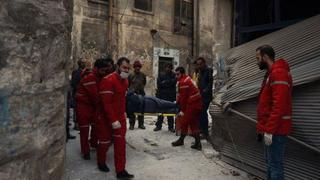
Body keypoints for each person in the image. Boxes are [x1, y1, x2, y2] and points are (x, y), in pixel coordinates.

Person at [256, 45, 292, 180]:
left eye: (258, 58)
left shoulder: (278, 73)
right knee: (271, 164)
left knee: (275, 165)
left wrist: (270, 130)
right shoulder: (271, 74)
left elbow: (279, 105)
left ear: (265, 57)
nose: (257, 61)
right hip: (271, 128)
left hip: (276, 130)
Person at [97, 57, 134, 179]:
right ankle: (101, 162)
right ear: (118, 66)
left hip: (120, 116)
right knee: (104, 142)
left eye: (128, 68)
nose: (126, 70)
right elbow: (106, 103)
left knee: (120, 143)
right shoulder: (108, 80)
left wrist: (123, 114)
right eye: (124, 67)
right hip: (106, 117)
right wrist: (113, 120)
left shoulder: (125, 81)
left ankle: (120, 170)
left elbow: (122, 100)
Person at [75, 58, 114, 160]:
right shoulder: (90, 78)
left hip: (92, 106)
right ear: (97, 68)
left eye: (106, 70)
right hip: (83, 106)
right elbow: (96, 97)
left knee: (95, 126)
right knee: (84, 129)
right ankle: (85, 151)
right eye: (103, 70)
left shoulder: (98, 77)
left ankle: (93, 143)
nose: (104, 73)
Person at [171, 66, 203, 150]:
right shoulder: (187, 78)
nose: (176, 76)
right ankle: (198, 143)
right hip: (197, 104)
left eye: (177, 74)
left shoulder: (183, 82)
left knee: (184, 122)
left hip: (192, 104)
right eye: (175, 74)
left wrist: (182, 109)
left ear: (182, 74)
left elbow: (184, 98)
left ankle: (181, 140)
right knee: (193, 123)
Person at [194, 57, 213, 139]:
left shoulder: (208, 70)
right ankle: (201, 130)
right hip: (200, 95)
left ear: (204, 63)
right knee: (200, 113)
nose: (199, 66)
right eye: (198, 64)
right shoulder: (199, 72)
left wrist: (205, 90)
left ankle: (205, 132)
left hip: (206, 96)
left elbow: (210, 83)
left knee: (203, 112)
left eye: (200, 64)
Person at [154, 63, 176, 132]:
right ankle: (158, 126)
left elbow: (173, 83)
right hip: (162, 96)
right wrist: (168, 83)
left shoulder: (173, 75)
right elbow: (159, 84)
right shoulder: (161, 75)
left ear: (171, 68)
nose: (168, 69)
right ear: (165, 68)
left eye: (169, 67)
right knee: (160, 112)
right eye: (166, 67)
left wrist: (165, 82)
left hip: (170, 96)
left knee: (170, 112)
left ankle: (171, 127)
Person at [128, 60, 147, 130]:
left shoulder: (143, 75)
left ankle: (141, 124)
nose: (138, 68)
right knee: (132, 110)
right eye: (136, 67)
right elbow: (128, 84)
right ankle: (132, 124)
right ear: (134, 67)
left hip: (141, 94)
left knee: (141, 109)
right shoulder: (131, 75)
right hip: (133, 95)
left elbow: (144, 83)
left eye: (139, 67)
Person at [71, 58, 86, 130]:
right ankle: (76, 124)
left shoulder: (86, 72)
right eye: (82, 62)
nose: (84, 64)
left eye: (84, 62)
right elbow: (73, 83)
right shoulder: (76, 72)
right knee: (76, 109)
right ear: (79, 64)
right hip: (77, 93)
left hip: (84, 95)